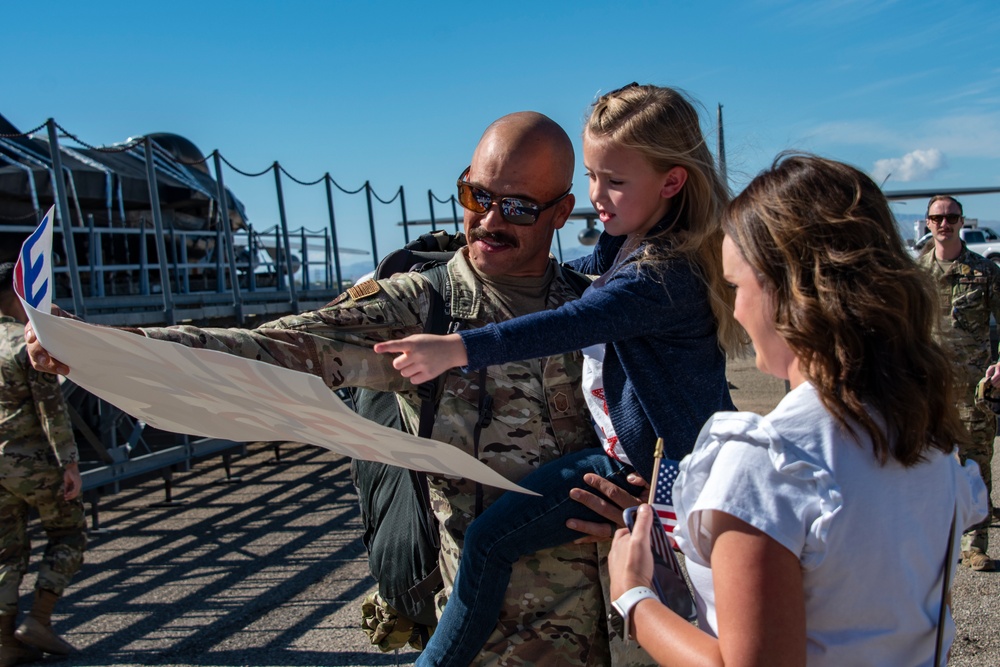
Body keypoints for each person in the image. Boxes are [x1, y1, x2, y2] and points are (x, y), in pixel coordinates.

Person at [27, 112, 614, 666]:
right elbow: (273, 347)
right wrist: (106, 345)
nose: (489, 221)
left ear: (562, 211)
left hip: (614, 632)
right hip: (486, 639)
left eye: (516, 207)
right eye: (477, 196)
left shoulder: (601, 304)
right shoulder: (420, 307)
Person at [375, 83, 745, 667]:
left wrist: (457, 347)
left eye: (615, 181)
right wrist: (491, 259)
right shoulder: (627, 240)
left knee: (695, 617)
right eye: (593, 176)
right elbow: (559, 277)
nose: (595, 196)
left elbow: (569, 320)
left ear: (671, 182)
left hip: (672, 477)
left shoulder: (662, 274)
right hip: (635, 464)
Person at [607, 154, 989, 666]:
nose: (736, 310)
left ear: (786, 290)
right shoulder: (926, 435)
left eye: (737, 287)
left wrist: (635, 596)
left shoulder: (771, 462)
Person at [0, 262, 87, 666]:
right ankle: (38, 620)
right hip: (34, 464)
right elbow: (52, 410)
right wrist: (69, 463)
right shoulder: (25, 344)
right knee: (68, 533)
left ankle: (5, 643)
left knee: (6, 552)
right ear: (17, 297)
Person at [915, 195, 998, 572]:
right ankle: (932, 540)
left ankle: (975, 544)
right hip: (929, 389)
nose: (944, 223)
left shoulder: (984, 272)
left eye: (951, 217)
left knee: (975, 465)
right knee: (925, 464)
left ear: (961, 221)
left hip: (971, 388)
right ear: (928, 223)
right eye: (937, 218)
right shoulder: (916, 273)